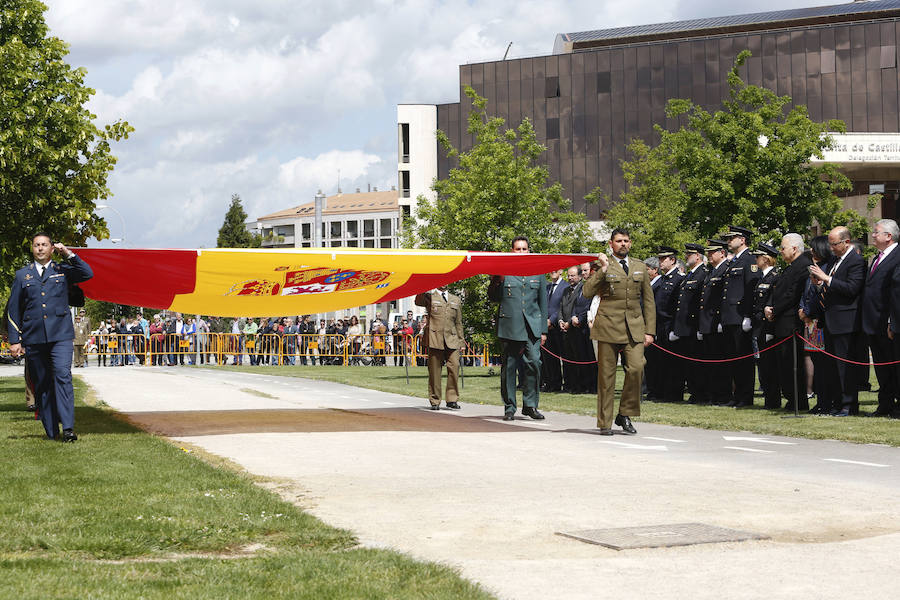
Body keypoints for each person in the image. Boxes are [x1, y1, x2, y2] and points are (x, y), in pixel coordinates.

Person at [7, 234, 93, 441]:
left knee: (63, 376)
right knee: (42, 383)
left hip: (60, 335)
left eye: (44, 245)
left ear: (52, 248)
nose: (40, 248)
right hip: (34, 337)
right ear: (32, 248)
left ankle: (68, 428)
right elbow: (14, 309)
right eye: (36, 245)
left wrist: (68, 254)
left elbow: (86, 273)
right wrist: (14, 340)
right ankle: (52, 429)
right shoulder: (22, 275)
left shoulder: (62, 270)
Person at [583, 228, 655, 435]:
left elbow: (648, 301)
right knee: (606, 377)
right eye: (619, 241)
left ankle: (624, 413)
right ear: (611, 244)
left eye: (626, 240)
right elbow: (587, 292)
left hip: (634, 327)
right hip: (608, 326)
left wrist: (650, 331)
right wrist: (603, 269)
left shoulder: (639, 266)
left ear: (630, 243)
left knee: (636, 368)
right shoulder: (602, 265)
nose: (623, 244)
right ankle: (605, 422)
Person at [487, 236, 548, 421]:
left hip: (532, 326)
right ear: (512, 251)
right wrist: (496, 281)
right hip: (510, 326)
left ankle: (530, 405)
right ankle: (510, 407)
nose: (522, 252)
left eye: (524, 249)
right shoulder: (504, 270)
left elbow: (543, 302)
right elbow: (493, 297)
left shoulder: (538, 271)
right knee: (509, 367)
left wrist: (543, 330)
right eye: (518, 249)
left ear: (529, 250)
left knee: (534, 363)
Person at [808, 226, 865, 416]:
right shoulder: (834, 260)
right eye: (830, 244)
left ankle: (849, 404)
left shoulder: (856, 261)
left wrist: (826, 279)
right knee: (832, 367)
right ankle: (837, 402)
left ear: (846, 242)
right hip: (830, 320)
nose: (831, 248)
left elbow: (852, 288)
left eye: (834, 244)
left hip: (846, 321)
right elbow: (830, 287)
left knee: (845, 366)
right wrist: (819, 283)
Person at [765, 233, 813, 411]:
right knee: (784, 365)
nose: (781, 251)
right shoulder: (791, 267)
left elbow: (792, 294)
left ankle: (798, 401)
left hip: (791, 323)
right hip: (782, 322)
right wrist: (770, 307)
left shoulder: (803, 266)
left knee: (792, 364)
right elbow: (778, 291)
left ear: (794, 248)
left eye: (783, 248)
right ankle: (792, 398)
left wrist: (775, 310)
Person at [861, 219, 900, 417]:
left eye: (876, 232)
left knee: (894, 366)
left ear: (888, 236)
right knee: (882, 368)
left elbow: (896, 293)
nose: (873, 235)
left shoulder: (897, 256)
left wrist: (892, 321)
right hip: (873, 322)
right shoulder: (878, 257)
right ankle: (885, 404)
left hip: (888, 323)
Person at [720, 225, 762, 408]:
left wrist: (747, 315)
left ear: (742, 239)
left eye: (732, 238)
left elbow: (751, 289)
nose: (729, 241)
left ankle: (745, 396)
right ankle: (737, 395)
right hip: (730, 317)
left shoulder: (749, 260)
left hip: (740, 317)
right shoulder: (734, 261)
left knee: (743, 359)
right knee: (733, 359)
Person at [669, 243, 707, 403]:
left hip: (693, 326)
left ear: (697, 256)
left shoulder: (703, 274)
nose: (686, 256)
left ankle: (699, 393)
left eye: (689, 254)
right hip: (684, 326)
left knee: (696, 363)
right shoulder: (690, 275)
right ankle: (693, 391)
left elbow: (701, 303)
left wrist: (699, 326)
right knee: (688, 364)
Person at [415, 285, 464, 409]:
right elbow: (418, 301)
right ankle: (435, 400)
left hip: (452, 339)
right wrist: (425, 284)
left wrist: (461, 342)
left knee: (454, 367)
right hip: (435, 338)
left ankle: (452, 399)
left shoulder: (455, 299)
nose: (444, 283)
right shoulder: (430, 297)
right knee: (435, 371)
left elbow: (458, 323)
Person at [697, 239, 729, 404]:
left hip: (717, 322)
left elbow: (723, 298)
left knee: (719, 362)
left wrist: (721, 320)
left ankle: (722, 395)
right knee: (710, 361)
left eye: (712, 252)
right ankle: (713, 394)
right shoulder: (711, 271)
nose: (709, 255)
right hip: (707, 323)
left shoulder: (725, 269)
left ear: (722, 253)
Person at [651, 246, 685, 403]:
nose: (660, 262)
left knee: (673, 363)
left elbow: (678, 306)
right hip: (660, 325)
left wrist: (675, 328)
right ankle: (663, 392)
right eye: (659, 259)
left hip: (670, 324)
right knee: (661, 361)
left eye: (663, 259)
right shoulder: (662, 279)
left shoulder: (679, 279)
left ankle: (674, 393)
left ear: (672, 260)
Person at [751, 243, 780, 409]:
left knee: (770, 365)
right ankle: (769, 397)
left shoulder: (774, 277)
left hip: (767, 327)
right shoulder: (762, 278)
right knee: (762, 364)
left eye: (758, 257)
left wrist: (770, 329)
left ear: (766, 259)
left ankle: (773, 400)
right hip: (759, 326)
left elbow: (772, 304)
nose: (756, 260)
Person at [559, 265, 591, 394]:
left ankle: (582, 386)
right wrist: (560, 321)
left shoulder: (583, 289)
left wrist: (569, 322)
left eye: (573, 275)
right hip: (565, 330)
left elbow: (580, 308)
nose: (570, 278)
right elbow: (561, 307)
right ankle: (571, 385)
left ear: (579, 276)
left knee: (580, 359)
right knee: (569, 359)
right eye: (569, 275)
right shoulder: (566, 290)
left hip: (577, 329)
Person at [542, 268, 567, 393]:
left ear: (561, 271)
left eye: (556, 269)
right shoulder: (547, 287)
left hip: (558, 327)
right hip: (547, 329)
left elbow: (561, 306)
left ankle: (566, 383)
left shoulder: (565, 287)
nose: (553, 271)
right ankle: (552, 383)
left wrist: (551, 320)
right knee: (549, 358)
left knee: (563, 357)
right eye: (551, 270)